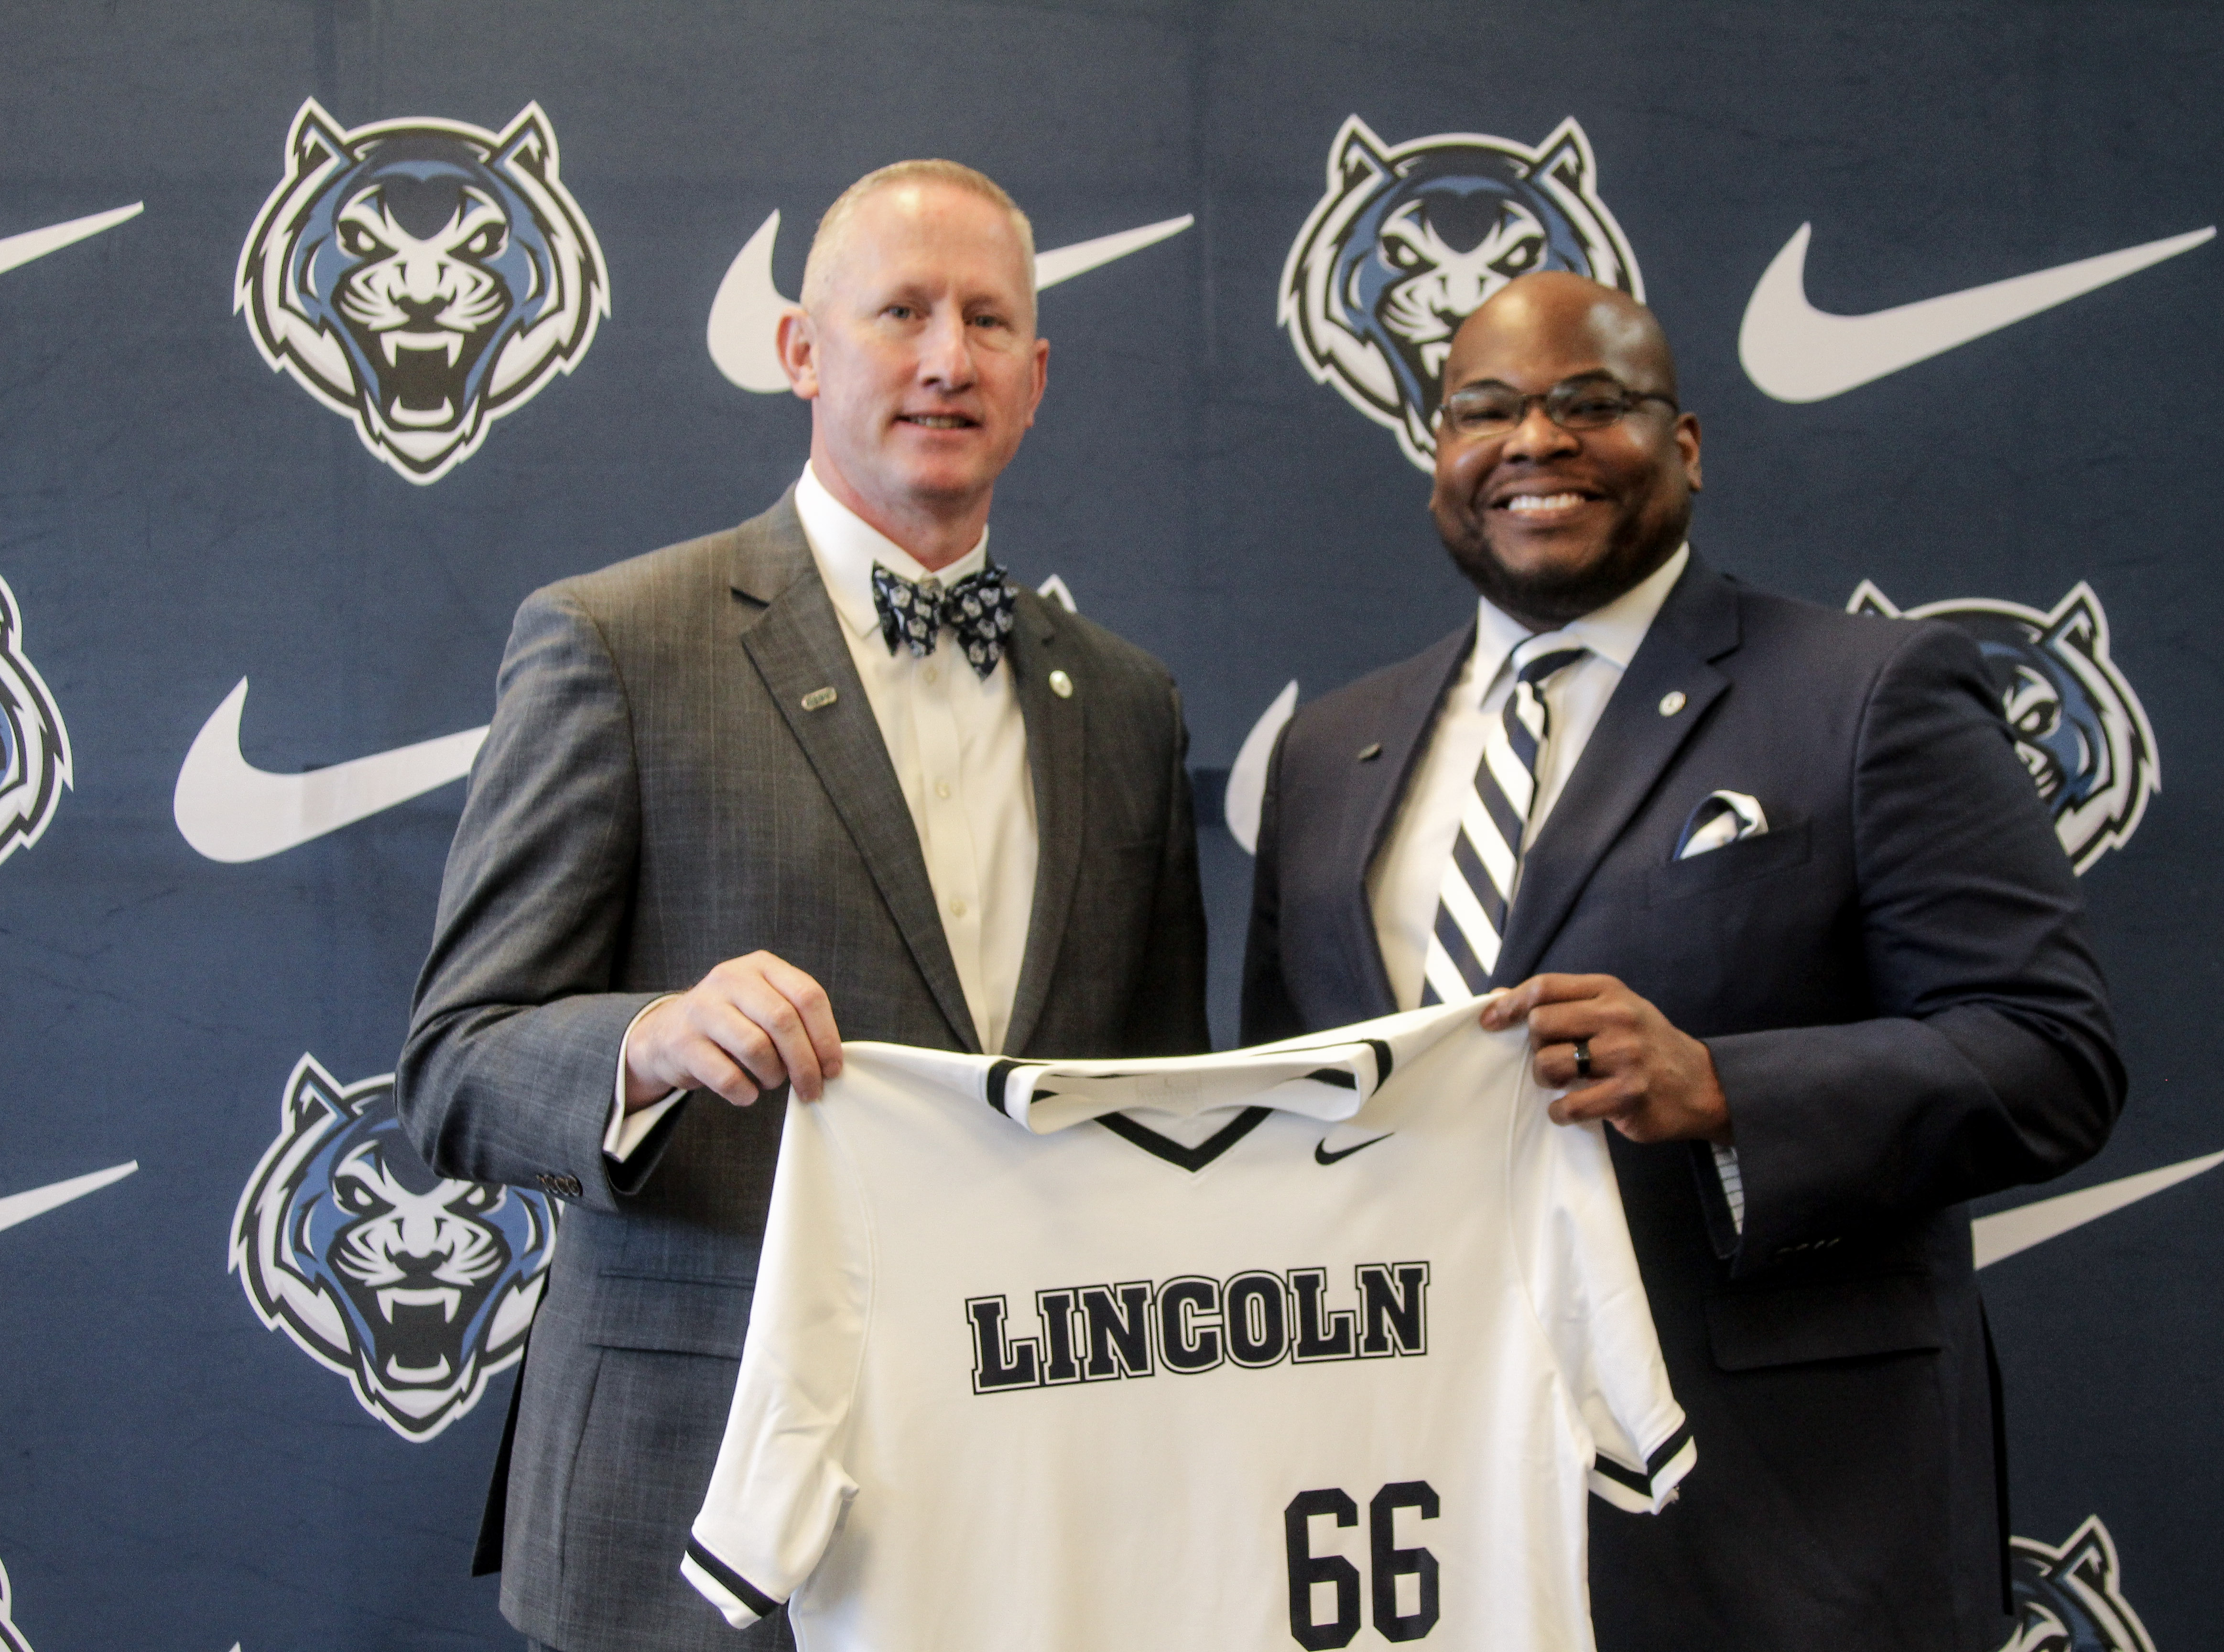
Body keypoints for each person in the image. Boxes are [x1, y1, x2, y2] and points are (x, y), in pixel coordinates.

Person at [1241, 271, 2123, 1652]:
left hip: (1785, 1520)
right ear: (1438, 457)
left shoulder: (1870, 693)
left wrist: (1724, 1088)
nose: (1536, 441)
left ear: (1687, 446)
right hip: (1423, 1512)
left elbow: (2053, 1056)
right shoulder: (1327, 752)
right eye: (1486, 410)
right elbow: (1279, 1116)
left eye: (1591, 404)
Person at [399, 159, 1209, 1652]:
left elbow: (1154, 1113)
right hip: (690, 1490)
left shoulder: (1132, 706)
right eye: (901, 311)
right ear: (800, 352)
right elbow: (456, 1064)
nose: (946, 358)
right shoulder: (616, 642)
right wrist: (648, 1039)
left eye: (986, 322)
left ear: (1037, 377)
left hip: (1032, 1501)